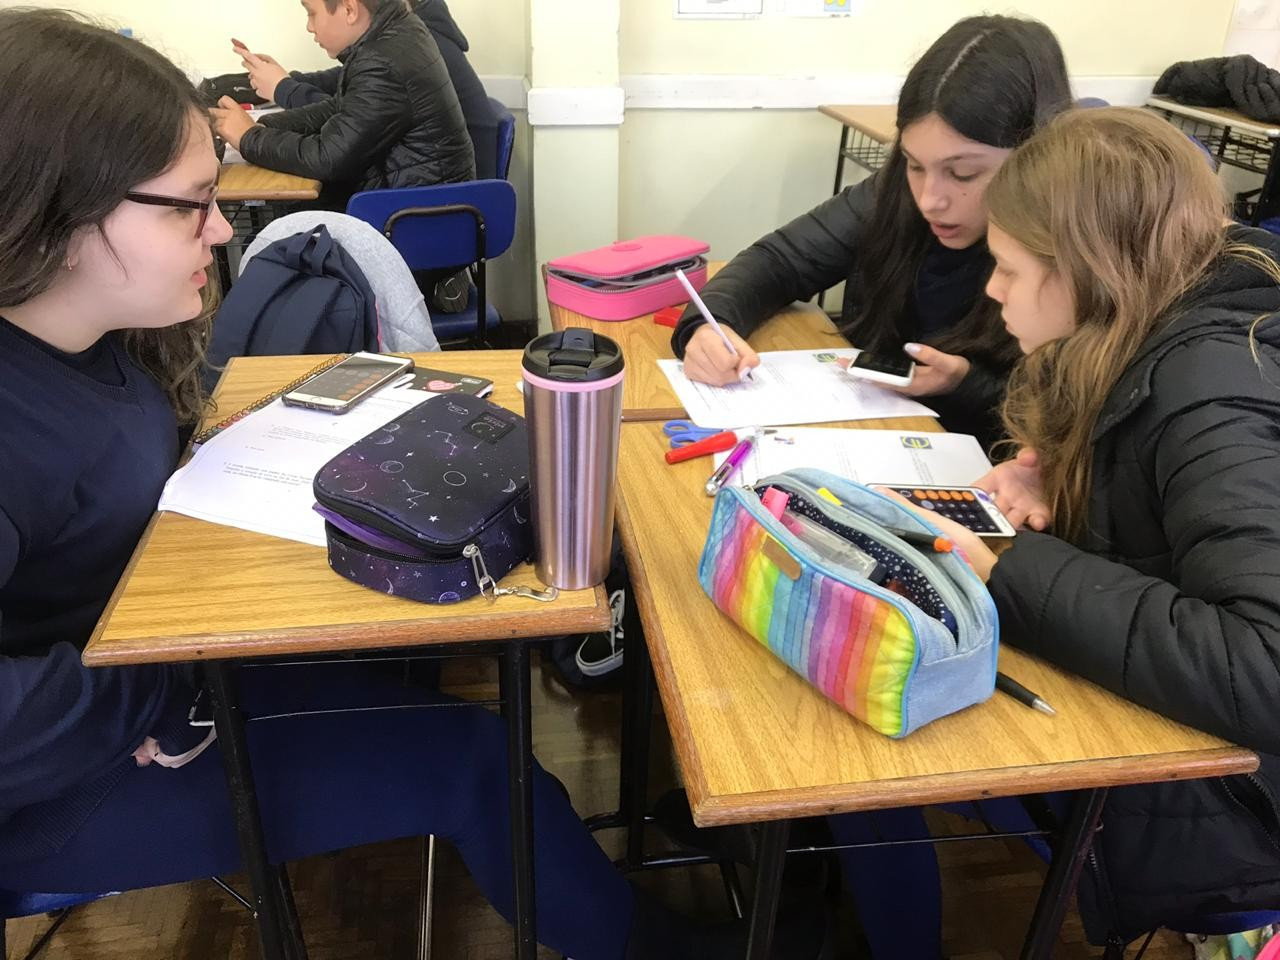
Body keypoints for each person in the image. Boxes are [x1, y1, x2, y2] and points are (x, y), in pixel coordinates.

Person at [0, 13, 810, 960]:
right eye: (190, 205)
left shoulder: (95, 346)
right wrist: (147, 692)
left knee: (419, 641)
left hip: (150, 678)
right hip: (71, 772)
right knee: (477, 762)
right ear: (59, 215)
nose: (220, 230)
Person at [838, 107, 1280, 957]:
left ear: (1088, 270)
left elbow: (1265, 667)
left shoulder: (1214, 389)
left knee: (867, 742)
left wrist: (1008, 571)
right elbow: (1162, 515)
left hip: (1236, 809)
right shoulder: (1148, 328)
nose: (992, 290)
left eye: (1008, 268)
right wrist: (1061, 477)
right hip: (1191, 727)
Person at [672, 15, 1071, 450]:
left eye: (963, 174)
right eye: (915, 164)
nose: (929, 200)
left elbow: (1068, 421)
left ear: (1036, 157)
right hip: (871, 433)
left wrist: (964, 384)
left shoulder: (1078, 248)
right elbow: (780, 259)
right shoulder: (893, 194)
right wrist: (708, 327)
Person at [210, 0, 475, 207]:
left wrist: (249, 137)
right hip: (415, 202)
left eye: (311, 13)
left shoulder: (382, 62)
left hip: (412, 220)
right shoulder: (398, 32)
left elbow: (328, 158)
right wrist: (264, 126)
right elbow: (340, 108)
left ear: (349, 9)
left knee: (274, 235)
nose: (309, 27)